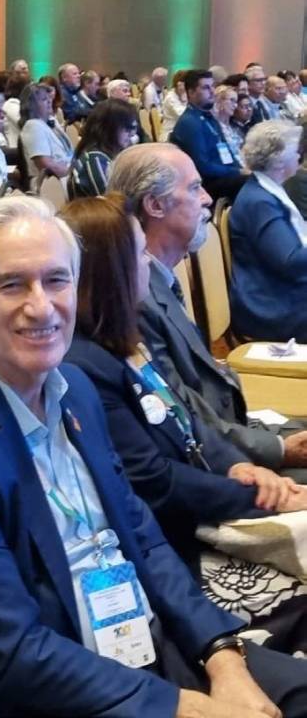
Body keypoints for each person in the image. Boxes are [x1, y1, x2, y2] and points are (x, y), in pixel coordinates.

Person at [0, 194, 307, 718]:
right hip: (30, 691)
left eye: (56, 280)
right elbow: (11, 654)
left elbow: (143, 537)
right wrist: (185, 707)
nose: (41, 306)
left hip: (131, 647)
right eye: (11, 285)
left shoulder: (74, 389)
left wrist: (222, 657)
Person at [63, 195, 307, 648]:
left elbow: (186, 418)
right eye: (139, 253)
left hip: (206, 504)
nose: (148, 262)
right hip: (177, 548)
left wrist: (239, 465)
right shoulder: (84, 366)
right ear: (113, 270)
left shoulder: (124, 337)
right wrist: (258, 495)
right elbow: (155, 483)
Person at [107, 142, 307, 477]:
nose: (207, 198)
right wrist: (279, 448)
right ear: (155, 205)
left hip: (230, 428)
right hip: (214, 461)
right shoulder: (136, 298)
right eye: (194, 188)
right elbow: (183, 417)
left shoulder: (160, 278)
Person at [229, 120, 307, 342]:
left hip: (280, 290)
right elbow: (290, 262)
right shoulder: (259, 202)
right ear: (279, 160)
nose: (299, 156)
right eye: (295, 151)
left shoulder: (264, 190)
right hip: (272, 306)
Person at [170, 69, 247, 201]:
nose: (212, 91)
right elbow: (203, 166)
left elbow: (226, 150)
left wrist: (240, 169)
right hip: (205, 184)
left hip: (224, 176)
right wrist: (237, 172)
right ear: (191, 92)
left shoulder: (209, 118)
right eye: (206, 87)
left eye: (212, 86)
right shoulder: (190, 123)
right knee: (253, 183)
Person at [68, 98, 139, 198]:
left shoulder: (107, 154)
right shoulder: (94, 160)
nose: (132, 134)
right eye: (127, 129)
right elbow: (111, 202)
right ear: (110, 128)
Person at [20, 82, 73, 191]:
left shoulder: (51, 121)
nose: (49, 101)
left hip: (66, 176)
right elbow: (45, 165)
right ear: (31, 106)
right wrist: (73, 172)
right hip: (53, 184)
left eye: (49, 98)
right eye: (44, 99)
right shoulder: (33, 126)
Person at [213, 85, 245, 166]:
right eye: (232, 100)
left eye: (236, 102)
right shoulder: (214, 127)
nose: (235, 105)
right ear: (219, 101)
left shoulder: (234, 125)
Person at [160, 70, 188, 142]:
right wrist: (184, 99)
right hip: (169, 134)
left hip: (180, 132)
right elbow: (183, 115)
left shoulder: (182, 96)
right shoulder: (171, 97)